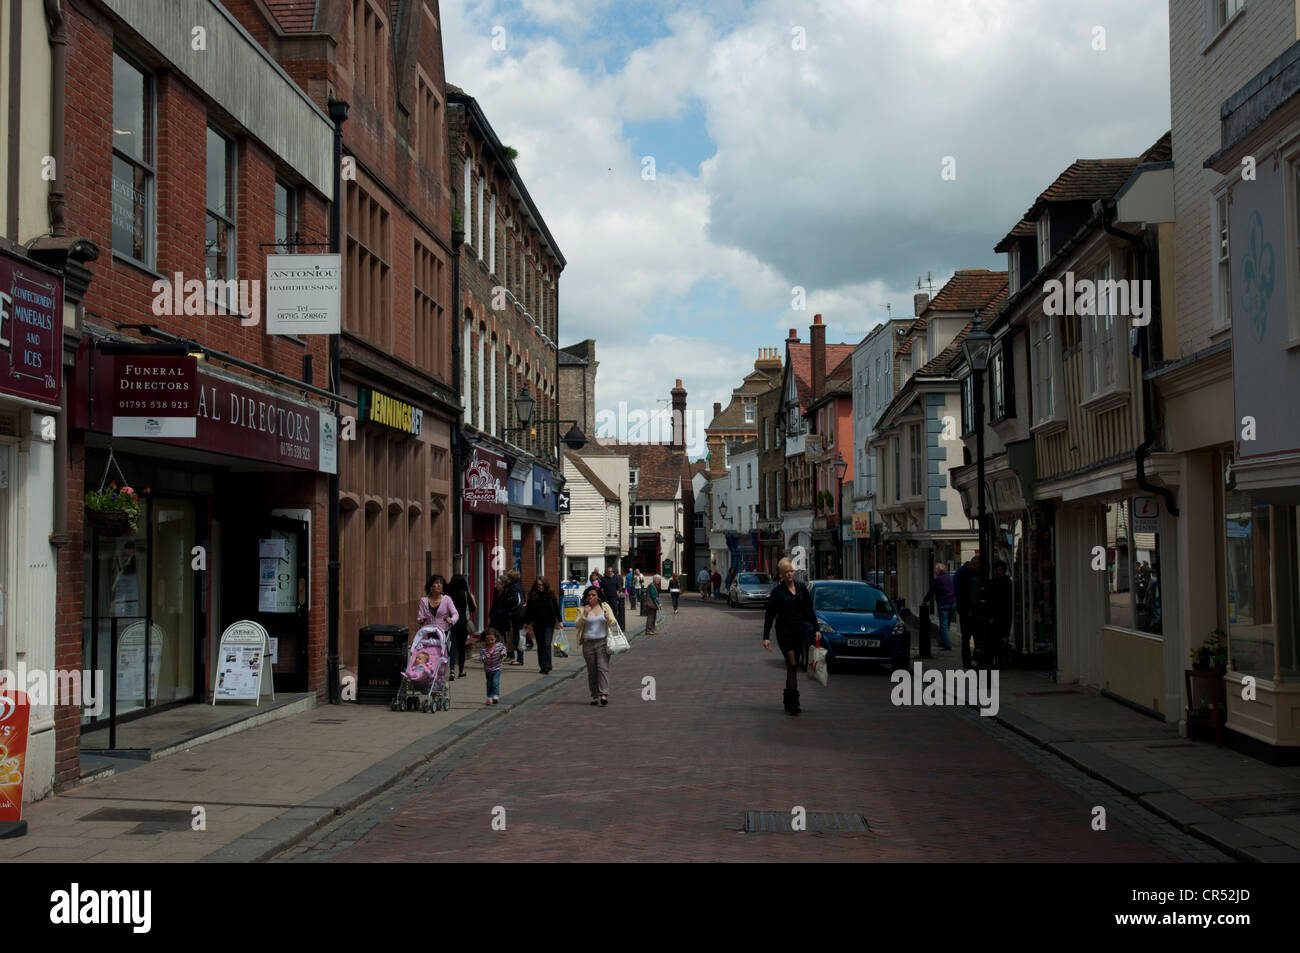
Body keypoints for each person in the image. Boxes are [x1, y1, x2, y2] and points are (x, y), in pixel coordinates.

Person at [762, 556, 817, 715]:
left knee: (792, 668)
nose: (790, 574)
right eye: (786, 572)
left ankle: (788, 699)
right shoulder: (777, 592)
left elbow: (809, 610)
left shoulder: (801, 589)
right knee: (792, 664)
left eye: (792, 571)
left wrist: (817, 628)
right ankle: (794, 703)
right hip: (784, 632)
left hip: (799, 631)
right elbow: (770, 614)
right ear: (781, 574)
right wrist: (766, 636)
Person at [575, 585, 617, 706]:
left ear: (598, 596)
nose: (591, 597)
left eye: (593, 595)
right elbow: (577, 625)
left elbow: (613, 622)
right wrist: (585, 615)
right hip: (588, 643)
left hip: (602, 642)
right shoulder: (583, 609)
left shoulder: (605, 607)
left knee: (602, 668)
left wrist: (608, 618)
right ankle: (594, 695)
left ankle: (604, 695)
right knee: (592, 670)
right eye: (589, 595)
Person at [417, 574, 459, 678]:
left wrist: (451, 619)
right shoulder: (424, 601)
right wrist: (421, 619)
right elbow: (419, 616)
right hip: (430, 632)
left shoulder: (447, 599)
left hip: (443, 632)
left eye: (441, 583)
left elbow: (455, 614)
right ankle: (431, 674)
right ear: (431, 586)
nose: (439, 585)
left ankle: (441, 674)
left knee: (442, 654)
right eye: (436, 583)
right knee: (431, 654)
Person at [525, 577, 563, 674]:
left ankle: (548, 665)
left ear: (545, 585)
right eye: (538, 585)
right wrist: (526, 622)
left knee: (546, 643)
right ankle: (542, 666)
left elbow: (556, 608)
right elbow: (528, 610)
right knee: (540, 645)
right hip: (537, 624)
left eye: (542, 585)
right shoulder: (533, 596)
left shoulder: (550, 595)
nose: (540, 587)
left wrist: (560, 621)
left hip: (549, 623)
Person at [445, 574, 476, 679]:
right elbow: (473, 609)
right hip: (463, 623)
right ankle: (461, 671)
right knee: (461, 647)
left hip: (451, 623)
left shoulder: (448, 595)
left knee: (452, 647)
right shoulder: (466, 594)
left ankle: (452, 670)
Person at [953, 553, 981, 668]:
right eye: (978, 567)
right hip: (966, 610)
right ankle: (967, 662)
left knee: (977, 635)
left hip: (973, 610)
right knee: (966, 637)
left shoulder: (971, 572)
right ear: (974, 564)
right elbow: (961, 593)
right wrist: (967, 608)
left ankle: (975, 658)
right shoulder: (962, 573)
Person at [921, 563, 957, 652]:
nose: (934, 570)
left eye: (935, 569)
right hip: (952, 603)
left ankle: (947, 645)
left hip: (944, 603)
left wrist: (925, 600)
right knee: (946, 624)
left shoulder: (938, 579)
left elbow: (932, 591)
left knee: (943, 624)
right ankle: (942, 642)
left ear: (939, 570)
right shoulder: (949, 578)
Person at [987, 560, 1014, 667]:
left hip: (1004, 612)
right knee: (999, 637)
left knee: (1002, 636)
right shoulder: (996, 582)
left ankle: (1001, 658)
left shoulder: (1006, 582)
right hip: (999, 613)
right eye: (999, 570)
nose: (1000, 572)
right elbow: (991, 599)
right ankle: (999, 657)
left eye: (1001, 570)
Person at [479, 630, 507, 705]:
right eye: (488, 640)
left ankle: (496, 696)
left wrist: (503, 653)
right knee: (489, 683)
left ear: (496, 639)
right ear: (485, 640)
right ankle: (489, 697)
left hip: (497, 667)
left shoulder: (499, 645)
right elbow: (481, 658)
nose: (490, 642)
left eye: (492, 640)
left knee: (495, 682)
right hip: (487, 669)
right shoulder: (484, 649)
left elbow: (504, 649)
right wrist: (485, 657)